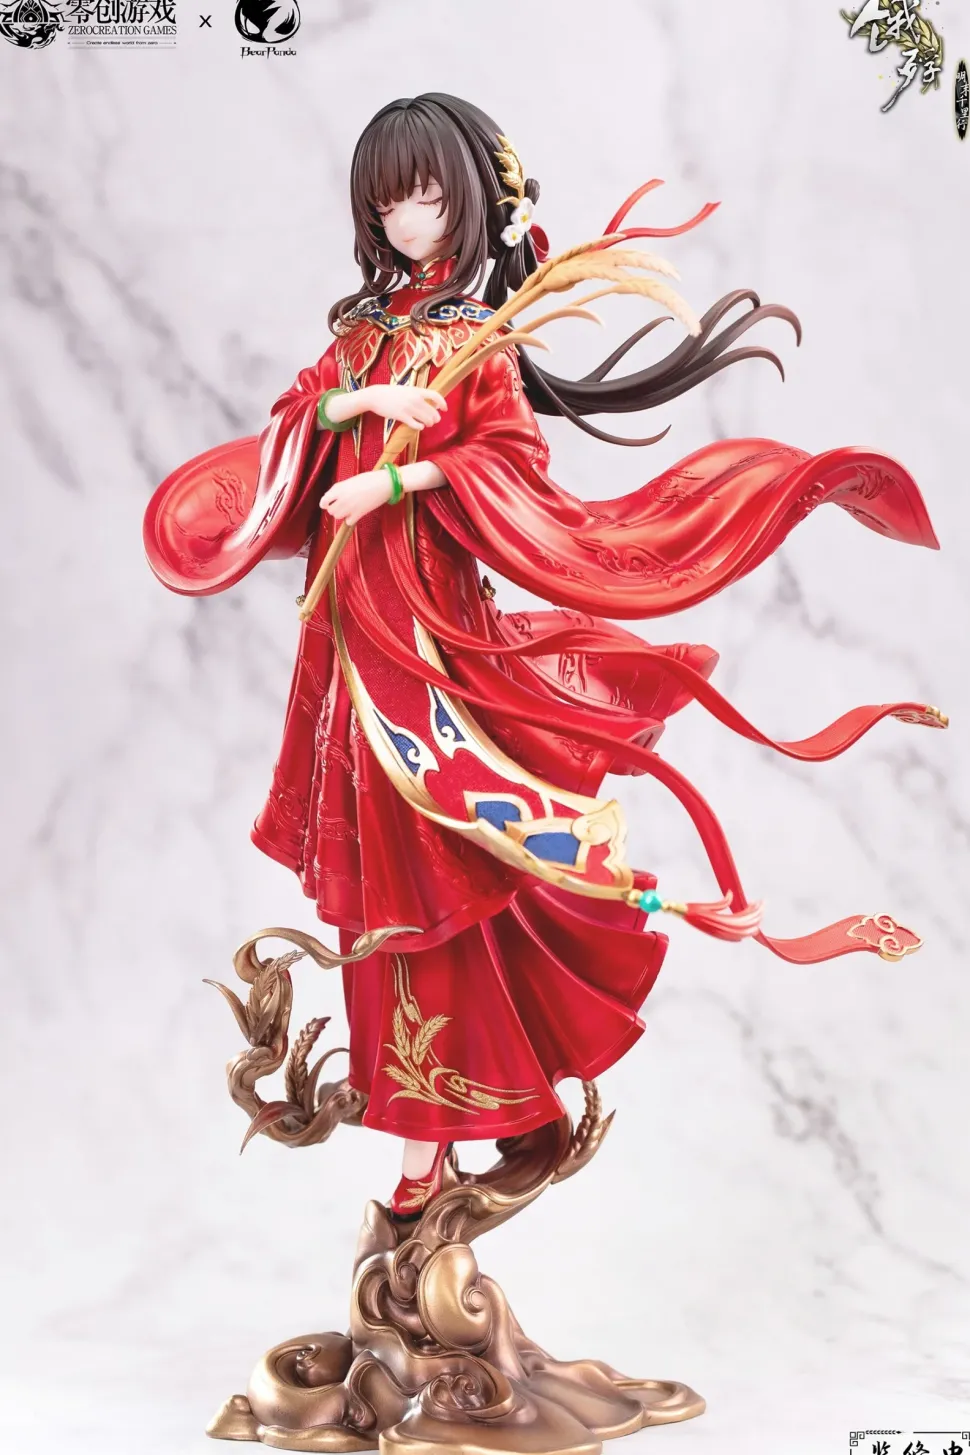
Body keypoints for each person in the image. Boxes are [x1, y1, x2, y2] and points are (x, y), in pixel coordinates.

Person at [144, 92, 942, 1221]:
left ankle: (439, 1137)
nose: (406, 219)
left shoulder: (479, 337)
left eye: (425, 196)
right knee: (380, 891)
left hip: (426, 635)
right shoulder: (362, 331)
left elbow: (509, 460)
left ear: (467, 199)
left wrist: (403, 475)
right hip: (350, 645)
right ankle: (440, 1117)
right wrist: (356, 402)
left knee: (442, 873)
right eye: (387, 201)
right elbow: (292, 417)